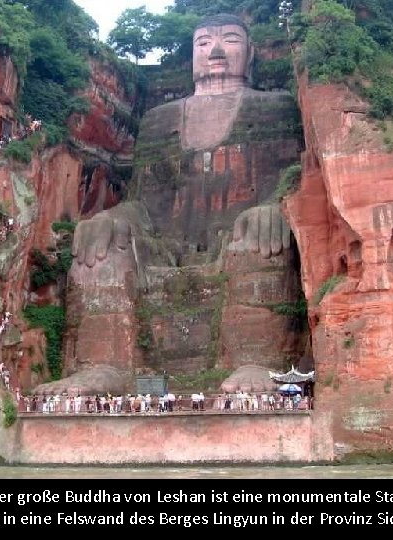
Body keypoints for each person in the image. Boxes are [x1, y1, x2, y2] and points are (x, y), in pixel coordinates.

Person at [66, 13, 301, 377]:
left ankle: (254, 365)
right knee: (100, 244)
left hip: (236, 239)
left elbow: (295, 181)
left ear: (250, 52)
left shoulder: (275, 108)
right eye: (204, 43)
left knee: (258, 240)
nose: (217, 51)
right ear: (192, 54)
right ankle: (103, 367)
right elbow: (142, 201)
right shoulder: (159, 119)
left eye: (231, 40)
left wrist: (273, 208)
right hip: (165, 246)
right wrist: (111, 218)